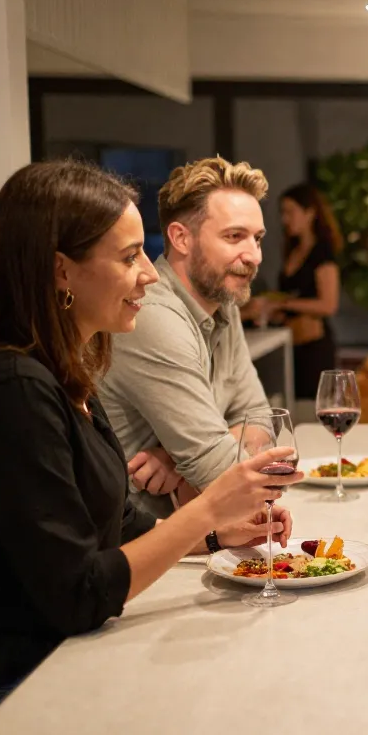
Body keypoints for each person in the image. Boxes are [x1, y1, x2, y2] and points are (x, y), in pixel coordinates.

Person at [0, 161, 303, 730]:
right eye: (129, 257)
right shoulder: (15, 388)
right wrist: (207, 507)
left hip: (69, 662)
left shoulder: (69, 368)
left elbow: (122, 525)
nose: (150, 275)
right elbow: (79, 592)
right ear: (61, 272)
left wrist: (215, 534)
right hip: (15, 688)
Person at [98, 157, 274, 519]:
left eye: (257, 239)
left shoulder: (224, 304)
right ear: (181, 238)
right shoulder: (151, 316)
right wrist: (199, 455)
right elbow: (222, 473)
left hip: (192, 532)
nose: (254, 256)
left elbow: (260, 416)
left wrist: (176, 457)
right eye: (234, 236)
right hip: (139, 545)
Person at [247, 183, 342, 399]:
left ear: (310, 213)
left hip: (315, 347)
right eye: (283, 212)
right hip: (290, 344)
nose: (285, 219)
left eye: (290, 212)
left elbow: (328, 305)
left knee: (314, 410)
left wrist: (281, 304)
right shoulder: (292, 250)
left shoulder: (322, 254)